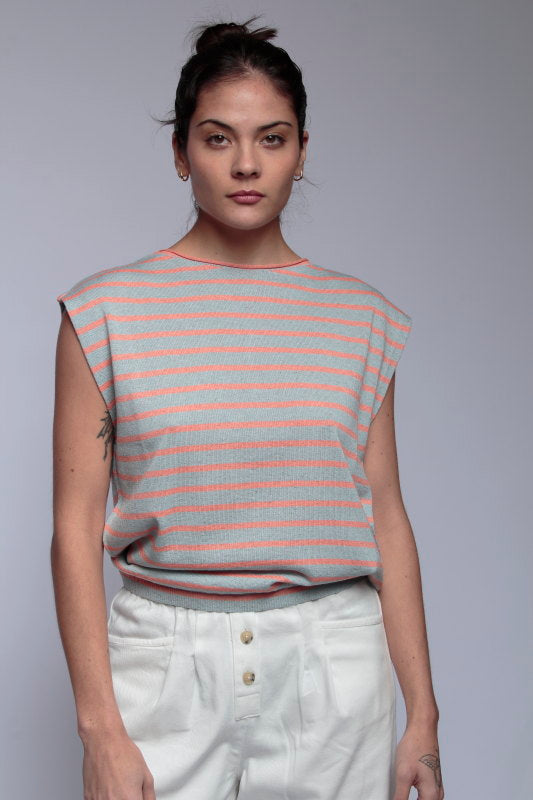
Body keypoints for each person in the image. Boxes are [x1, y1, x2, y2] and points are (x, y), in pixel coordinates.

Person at [52, 15, 443, 800]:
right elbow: (73, 528)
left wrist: (423, 722)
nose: (245, 164)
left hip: (334, 666)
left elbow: (385, 516)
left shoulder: (362, 320)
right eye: (216, 138)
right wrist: (98, 730)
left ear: (302, 151)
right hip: (160, 668)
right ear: (179, 152)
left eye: (271, 138)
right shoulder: (104, 314)